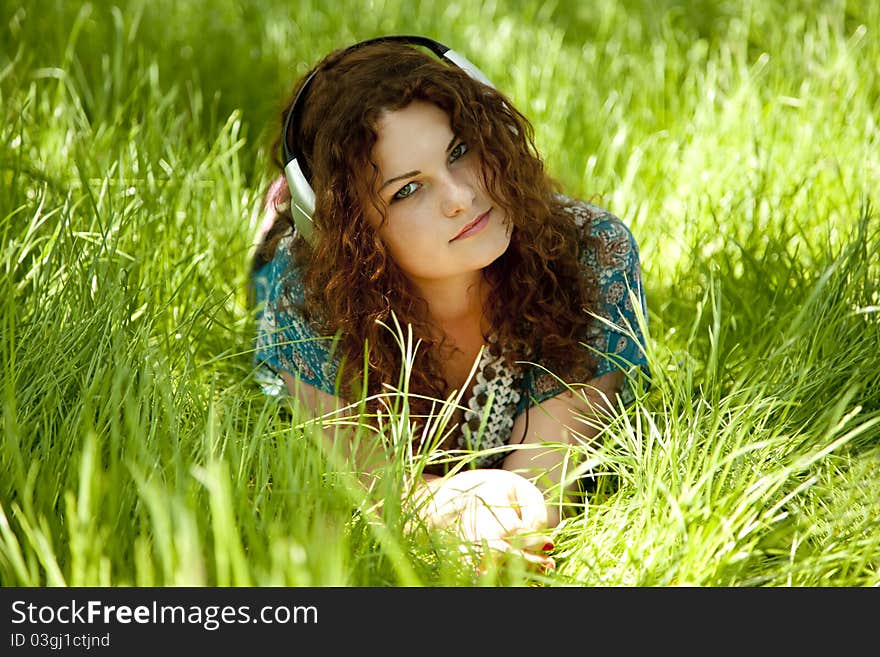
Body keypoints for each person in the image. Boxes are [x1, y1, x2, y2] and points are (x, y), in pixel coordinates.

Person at [249, 36, 649, 572]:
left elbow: (541, 491)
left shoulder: (593, 256)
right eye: (407, 190)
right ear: (350, 232)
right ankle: (278, 215)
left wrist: (505, 521)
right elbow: (375, 490)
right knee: (273, 264)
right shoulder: (307, 301)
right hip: (310, 274)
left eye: (460, 152)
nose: (460, 196)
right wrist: (449, 512)